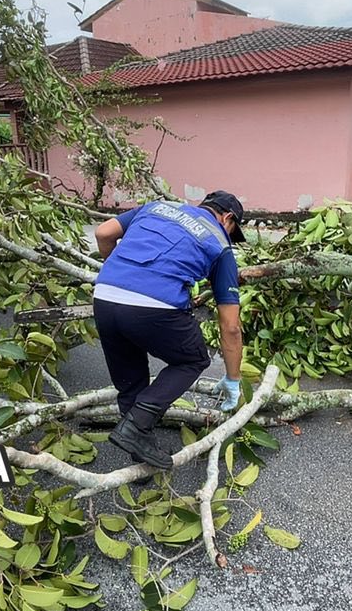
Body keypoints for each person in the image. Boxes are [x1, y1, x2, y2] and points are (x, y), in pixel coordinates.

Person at [91, 190, 247, 469]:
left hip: (104, 296)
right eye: (233, 231)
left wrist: (122, 278)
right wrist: (233, 378)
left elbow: (103, 233)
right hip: (154, 306)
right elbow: (231, 326)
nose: (230, 239)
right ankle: (136, 427)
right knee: (193, 359)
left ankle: (140, 458)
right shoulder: (220, 243)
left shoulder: (157, 207)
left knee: (131, 380)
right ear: (228, 218)